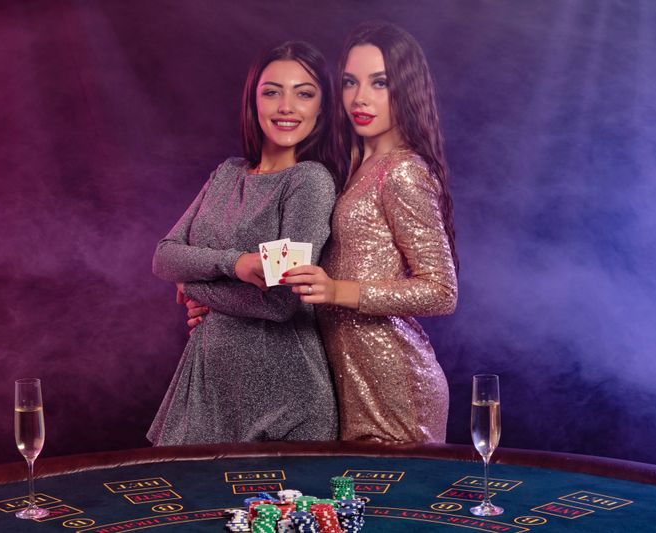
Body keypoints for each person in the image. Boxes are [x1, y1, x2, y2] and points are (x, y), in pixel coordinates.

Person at [148, 41, 339, 445]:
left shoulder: (309, 181)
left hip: (286, 394)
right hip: (210, 386)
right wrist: (235, 264)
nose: (286, 106)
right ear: (254, 101)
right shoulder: (227, 173)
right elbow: (164, 257)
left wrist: (193, 286)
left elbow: (281, 302)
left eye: (304, 94)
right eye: (272, 92)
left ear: (321, 108)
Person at [281, 22, 459, 443]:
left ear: (407, 88)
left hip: (394, 387)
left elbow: (442, 291)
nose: (360, 98)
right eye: (350, 82)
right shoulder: (354, 165)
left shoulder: (403, 171)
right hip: (350, 379)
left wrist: (336, 290)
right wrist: (214, 293)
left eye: (379, 83)